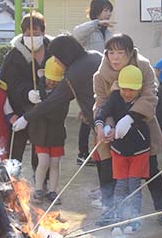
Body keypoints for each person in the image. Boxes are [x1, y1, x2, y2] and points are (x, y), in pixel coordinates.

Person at [93, 33, 162, 226]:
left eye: (120, 52)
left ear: (129, 53)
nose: (115, 57)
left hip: (141, 129)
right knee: (107, 168)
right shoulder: (100, 75)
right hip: (112, 134)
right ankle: (109, 209)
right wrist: (107, 125)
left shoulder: (144, 67)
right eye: (111, 52)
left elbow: (150, 96)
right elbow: (101, 102)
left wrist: (130, 118)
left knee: (150, 169)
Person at [21, 34, 103, 190]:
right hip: (106, 118)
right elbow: (89, 92)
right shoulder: (94, 56)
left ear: (65, 55)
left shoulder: (74, 73)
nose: (56, 62)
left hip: (101, 121)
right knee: (106, 160)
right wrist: (85, 109)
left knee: (106, 162)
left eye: (57, 58)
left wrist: (26, 118)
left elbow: (53, 102)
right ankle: (109, 198)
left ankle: (110, 201)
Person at [95, 65, 151, 234]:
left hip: (139, 150)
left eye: (132, 90)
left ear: (139, 88)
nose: (127, 93)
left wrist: (129, 122)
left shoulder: (141, 102)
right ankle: (119, 219)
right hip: (118, 150)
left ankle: (133, 219)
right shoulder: (115, 97)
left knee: (133, 185)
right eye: (124, 89)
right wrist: (102, 126)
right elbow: (103, 112)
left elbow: (143, 117)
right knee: (120, 186)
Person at [0, 12, 50, 164]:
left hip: (45, 112)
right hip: (19, 111)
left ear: (43, 32)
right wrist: (26, 92)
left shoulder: (53, 51)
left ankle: (42, 183)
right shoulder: (14, 56)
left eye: (36, 33)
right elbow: (9, 83)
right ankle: (13, 181)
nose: (32, 37)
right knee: (15, 153)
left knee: (41, 154)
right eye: (28, 34)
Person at [73, 0, 114, 164]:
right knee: (88, 116)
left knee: (100, 115)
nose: (109, 13)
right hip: (89, 79)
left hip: (105, 79)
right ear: (97, 11)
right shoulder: (90, 29)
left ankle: (99, 150)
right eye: (105, 10)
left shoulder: (108, 32)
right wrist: (97, 23)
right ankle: (82, 153)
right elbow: (76, 33)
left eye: (109, 10)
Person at [29, 57, 69, 204]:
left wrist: (43, 108)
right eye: (50, 79)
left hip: (57, 134)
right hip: (40, 134)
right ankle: (38, 189)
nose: (52, 82)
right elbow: (30, 112)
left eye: (56, 80)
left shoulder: (63, 94)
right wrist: (32, 102)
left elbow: (60, 114)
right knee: (43, 161)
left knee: (54, 163)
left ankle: (52, 191)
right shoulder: (36, 90)